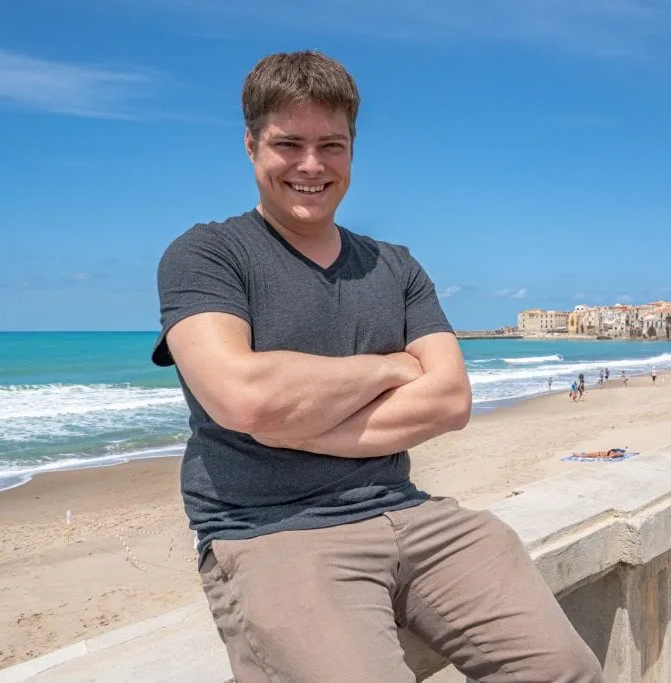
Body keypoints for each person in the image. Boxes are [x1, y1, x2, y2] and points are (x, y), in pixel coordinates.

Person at [152, 52, 602, 683]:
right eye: (289, 144)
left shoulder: (395, 266)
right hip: (273, 533)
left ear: (352, 150)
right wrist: (390, 367)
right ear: (251, 145)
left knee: (565, 669)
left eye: (331, 145)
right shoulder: (206, 255)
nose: (312, 165)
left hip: (412, 513)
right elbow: (245, 397)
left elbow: (450, 400)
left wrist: (296, 424)